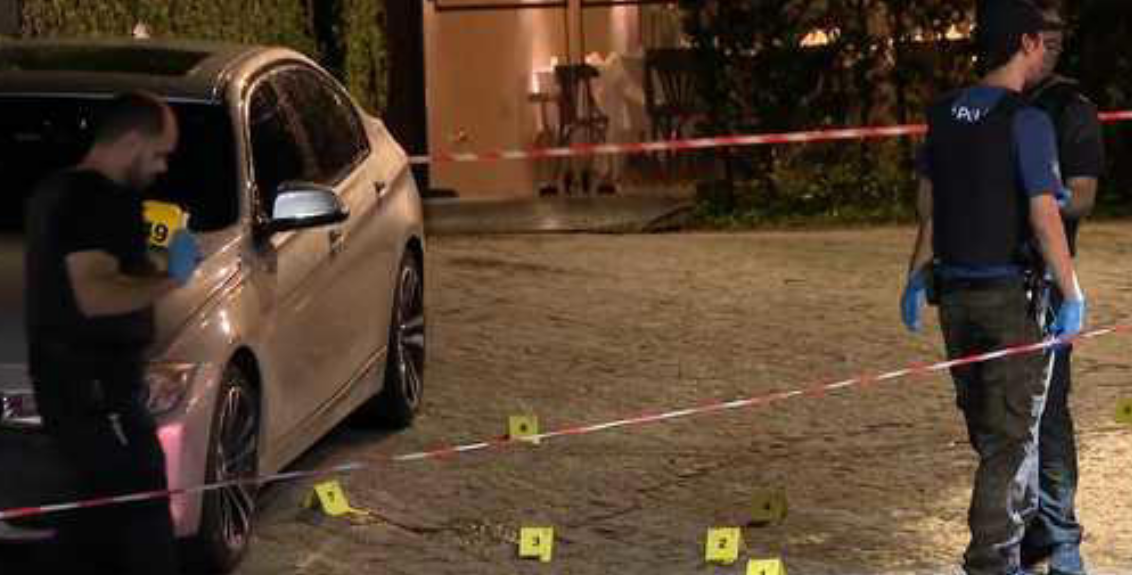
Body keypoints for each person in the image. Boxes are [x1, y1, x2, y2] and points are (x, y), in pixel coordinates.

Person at [899, 1, 1086, 574]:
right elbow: (1044, 217)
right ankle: (993, 562)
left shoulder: (943, 115)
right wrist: (1072, 292)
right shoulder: (1026, 120)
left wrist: (915, 273)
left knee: (995, 437)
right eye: (1041, 41)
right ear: (1026, 43)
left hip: (955, 300)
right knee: (1009, 443)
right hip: (1011, 301)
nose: (1046, 52)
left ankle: (1020, 547)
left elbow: (930, 206)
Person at [23, 91, 201, 575]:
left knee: (94, 528)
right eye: (159, 153)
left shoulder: (54, 192)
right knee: (141, 525)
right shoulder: (99, 201)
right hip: (102, 397)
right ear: (131, 142)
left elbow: (87, 284)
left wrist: (151, 267)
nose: (163, 167)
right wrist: (174, 277)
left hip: (77, 394)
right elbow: (95, 296)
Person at [1019, 4, 1105, 575]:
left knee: (1048, 414)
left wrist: (1033, 206)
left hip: (1047, 279)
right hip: (996, 280)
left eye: (1056, 42)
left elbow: (1084, 195)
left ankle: (1061, 538)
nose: (1047, 51)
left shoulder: (1071, 109)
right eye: (1040, 40)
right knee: (1006, 421)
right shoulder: (997, 102)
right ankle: (1026, 535)